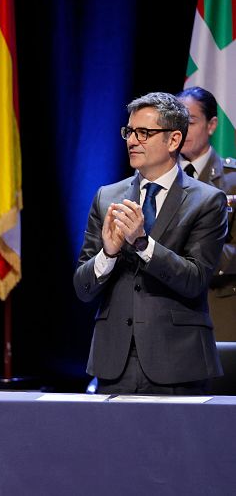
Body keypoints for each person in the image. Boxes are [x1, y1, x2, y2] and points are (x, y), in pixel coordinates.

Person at [73, 92, 229, 395]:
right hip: (113, 362)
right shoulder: (107, 197)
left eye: (144, 133)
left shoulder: (207, 201)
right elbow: (83, 287)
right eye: (129, 132)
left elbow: (195, 280)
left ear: (173, 141)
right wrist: (109, 252)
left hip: (178, 363)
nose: (132, 140)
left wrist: (143, 243)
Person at [176, 86, 236, 340]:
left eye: (189, 121)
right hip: (165, 311)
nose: (181, 129)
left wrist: (192, 249)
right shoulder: (150, 178)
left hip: (217, 307)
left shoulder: (232, 181)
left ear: (211, 125)